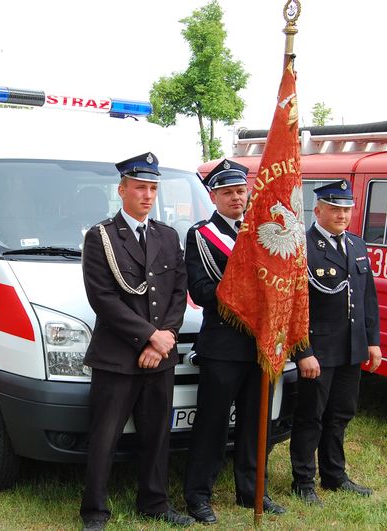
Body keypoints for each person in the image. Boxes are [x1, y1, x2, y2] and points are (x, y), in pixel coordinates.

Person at [79, 152, 192, 530]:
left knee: (157, 433)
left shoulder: (167, 235)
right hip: (116, 356)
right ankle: (95, 510)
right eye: (140, 187)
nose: (147, 195)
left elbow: (178, 292)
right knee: (104, 437)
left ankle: (155, 502)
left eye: (153, 189)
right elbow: (103, 299)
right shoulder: (102, 238)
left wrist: (165, 339)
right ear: (122, 190)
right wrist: (149, 336)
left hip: (160, 355)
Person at [182, 159, 286, 524]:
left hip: (259, 346)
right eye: (227, 193)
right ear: (213, 197)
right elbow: (201, 290)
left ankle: (252, 490)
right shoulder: (201, 236)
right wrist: (245, 292)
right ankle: (198, 496)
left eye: (241, 191)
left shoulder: (262, 234)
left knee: (255, 426)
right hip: (223, 347)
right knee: (211, 426)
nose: (236, 198)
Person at [290, 179, 382, 506]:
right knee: (310, 417)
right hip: (319, 351)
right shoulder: (303, 247)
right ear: (318, 210)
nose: (342, 215)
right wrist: (303, 352)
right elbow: (293, 306)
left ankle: (334, 474)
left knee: (341, 414)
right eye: (335, 209)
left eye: (347, 209)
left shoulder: (356, 245)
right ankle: (303, 480)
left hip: (351, 348)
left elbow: (367, 297)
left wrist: (372, 341)